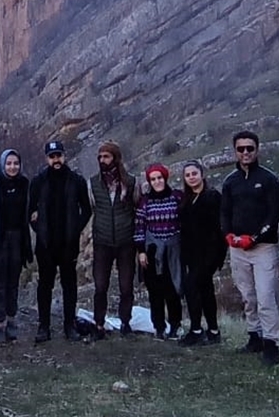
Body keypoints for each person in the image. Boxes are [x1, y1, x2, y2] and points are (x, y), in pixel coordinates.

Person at [220, 131, 279, 366]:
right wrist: (228, 234)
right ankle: (254, 336)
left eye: (250, 148)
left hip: (263, 247)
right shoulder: (230, 181)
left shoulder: (269, 179)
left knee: (265, 296)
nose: (245, 153)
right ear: (235, 151)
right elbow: (224, 212)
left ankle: (271, 343)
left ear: (257, 150)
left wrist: (255, 238)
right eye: (241, 149)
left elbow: (274, 214)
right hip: (238, 248)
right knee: (248, 295)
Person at [29, 140, 91, 342]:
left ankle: (69, 326)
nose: (56, 160)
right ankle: (43, 327)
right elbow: (30, 211)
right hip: (46, 245)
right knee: (44, 286)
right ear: (47, 158)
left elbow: (86, 209)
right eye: (52, 156)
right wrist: (39, 230)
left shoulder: (76, 181)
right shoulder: (38, 181)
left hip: (68, 244)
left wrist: (75, 230)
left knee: (69, 286)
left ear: (64, 156)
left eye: (59, 155)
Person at [0, 149, 33, 344]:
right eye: (8, 163)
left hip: (18, 239)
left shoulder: (24, 184)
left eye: (15, 163)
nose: (12, 167)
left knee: (13, 282)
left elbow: (29, 209)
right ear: (2, 165)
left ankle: (11, 320)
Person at [88, 141, 138, 338]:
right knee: (100, 286)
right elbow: (93, 207)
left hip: (126, 241)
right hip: (102, 241)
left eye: (106, 156)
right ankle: (99, 324)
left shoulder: (131, 182)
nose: (102, 160)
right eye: (100, 157)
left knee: (126, 286)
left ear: (115, 158)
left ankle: (125, 323)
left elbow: (136, 205)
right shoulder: (93, 183)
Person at [177, 161, 226, 346]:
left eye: (194, 174)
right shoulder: (187, 199)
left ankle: (196, 330)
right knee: (205, 290)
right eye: (188, 175)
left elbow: (220, 226)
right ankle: (213, 331)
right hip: (191, 253)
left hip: (209, 253)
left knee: (192, 287)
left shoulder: (213, 196)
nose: (191, 177)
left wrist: (218, 255)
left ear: (202, 174)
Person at [134, 164, 183, 340]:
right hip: (152, 251)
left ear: (165, 178)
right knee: (155, 291)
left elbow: (184, 221)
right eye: (153, 179)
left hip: (173, 250)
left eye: (159, 178)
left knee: (173, 289)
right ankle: (159, 327)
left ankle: (176, 326)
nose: (157, 181)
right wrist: (141, 251)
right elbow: (139, 227)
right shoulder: (145, 201)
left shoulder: (177, 197)